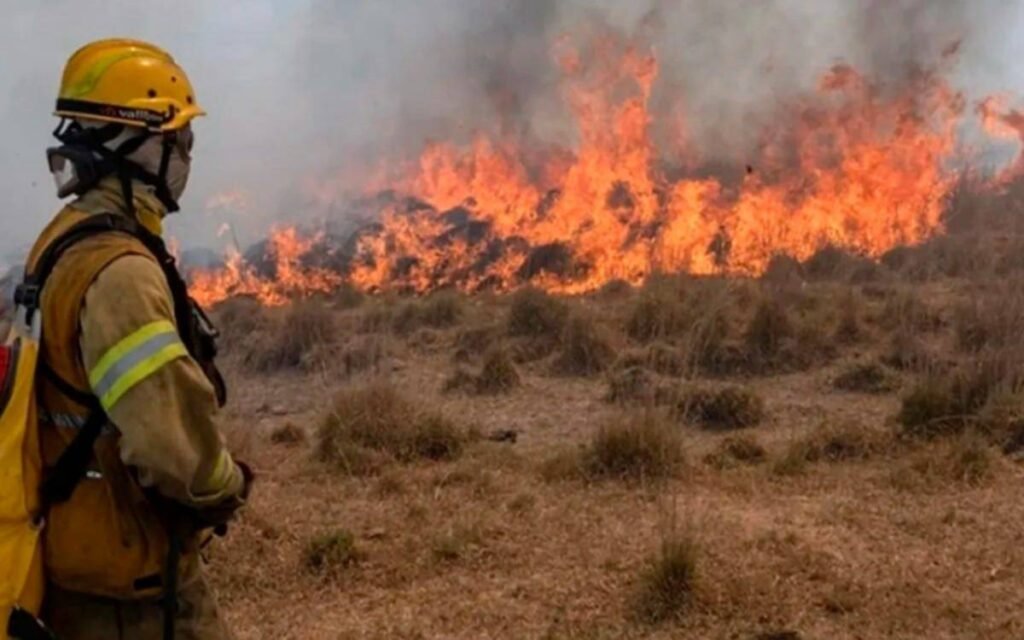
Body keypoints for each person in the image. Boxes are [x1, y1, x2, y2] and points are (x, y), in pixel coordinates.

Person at [20, 38, 251, 639]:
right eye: (177, 140)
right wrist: (224, 484)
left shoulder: (61, 241)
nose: (183, 157)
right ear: (138, 145)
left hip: (75, 561)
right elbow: (168, 438)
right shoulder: (120, 272)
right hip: (131, 595)